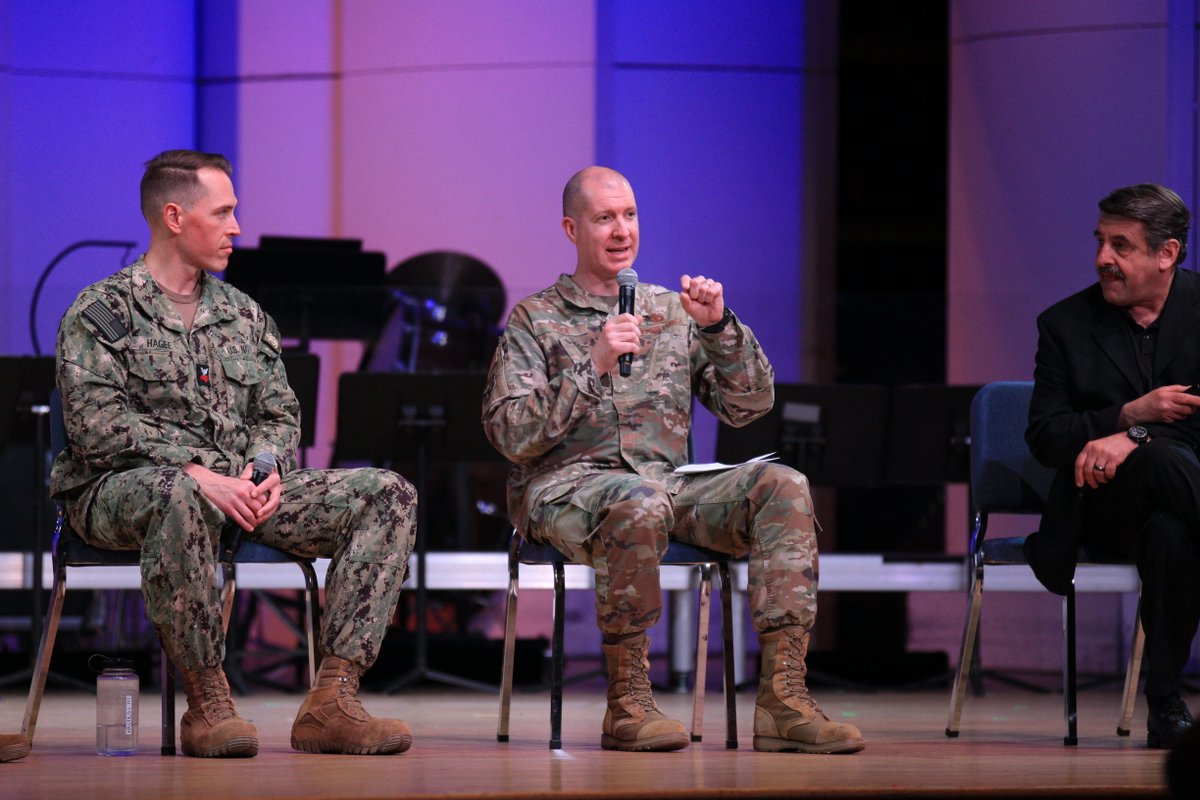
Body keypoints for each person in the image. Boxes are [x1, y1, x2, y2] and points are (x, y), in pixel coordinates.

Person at [481, 166, 865, 754]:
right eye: (604, 217)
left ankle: (784, 699)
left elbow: (749, 406)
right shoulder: (536, 318)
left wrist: (719, 330)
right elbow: (509, 433)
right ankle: (628, 701)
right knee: (635, 502)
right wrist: (593, 365)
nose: (621, 230)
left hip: (668, 486)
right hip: (565, 490)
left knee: (783, 485)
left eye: (629, 215)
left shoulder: (670, 311)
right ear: (571, 228)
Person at [52, 150, 417, 758]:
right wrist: (196, 472)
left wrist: (266, 467)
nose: (236, 228)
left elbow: (279, 413)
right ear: (174, 216)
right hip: (122, 491)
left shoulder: (243, 315)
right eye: (222, 213)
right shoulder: (101, 315)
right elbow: (96, 428)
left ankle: (334, 699)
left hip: (237, 491)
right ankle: (206, 700)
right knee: (180, 494)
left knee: (386, 493)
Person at [1026, 183, 1200, 749]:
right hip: (1100, 506)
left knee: (1172, 532)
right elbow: (1047, 437)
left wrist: (1136, 433)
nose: (1104, 258)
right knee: (1161, 462)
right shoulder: (1065, 325)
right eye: (1101, 242)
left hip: (1174, 505)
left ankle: (1165, 703)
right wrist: (1128, 414)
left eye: (1121, 246)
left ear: (1166, 253)